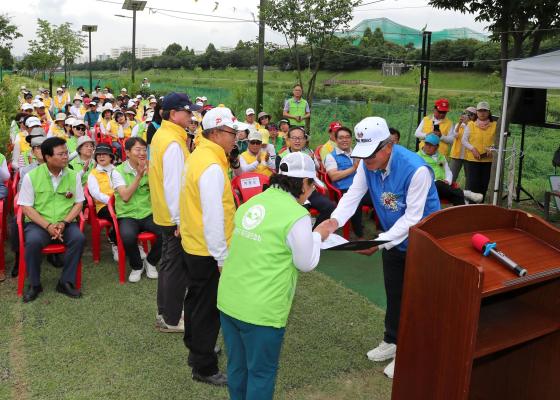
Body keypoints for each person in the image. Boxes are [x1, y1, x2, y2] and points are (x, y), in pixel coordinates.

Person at [316, 116, 441, 379]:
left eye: (371, 155)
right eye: (364, 155)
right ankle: (392, 340)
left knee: (416, 298)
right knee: (394, 292)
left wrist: (379, 241)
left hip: (424, 242)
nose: (367, 161)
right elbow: (352, 195)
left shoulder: (416, 170)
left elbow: (413, 218)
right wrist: (333, 221)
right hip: (393, 240)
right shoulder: (367, 164)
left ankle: (409, 351)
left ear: (388, 146)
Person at [218, 152, 329, 400]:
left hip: (229, 299)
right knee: (261, 373)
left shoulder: (253, 202)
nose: (312, 192)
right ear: (303, 183)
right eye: (311, 185)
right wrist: (319, 234)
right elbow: (305, 262)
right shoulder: (296, 215)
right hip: (262, 310)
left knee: (237, 366)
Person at [179, 106, 242, 386]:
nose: (235, 138)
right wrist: (221, 256)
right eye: (231, 132)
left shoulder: (201, 155)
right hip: (207, 248)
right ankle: (204, 366)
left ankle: (196, 347)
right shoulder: (212, 165)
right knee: (207, 308)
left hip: (194, 243)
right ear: (215, 133)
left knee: (196, 299)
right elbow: (213, 214)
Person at [149, 92, 202, 333]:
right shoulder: (172, 142)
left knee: (169, 264)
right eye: (187, 111)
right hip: (173, 216)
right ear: (173, 114)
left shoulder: (166, 135)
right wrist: (180, 219)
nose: (191, 115)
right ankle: (170, 318)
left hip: (166, 214)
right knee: (175, 267)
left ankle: (166, 312)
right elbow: (174, 185)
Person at [17, 137, 86, 302]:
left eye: (66, 153)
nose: (65, 157)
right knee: (32, 242)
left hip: (65, 222)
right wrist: (48, 225)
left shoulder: (73, 175)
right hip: (39, 224)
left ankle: (65, 282)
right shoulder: (31, 176)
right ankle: (34, 284)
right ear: (47, 157)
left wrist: (64, 223)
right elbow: (26, 207)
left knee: (78, 238)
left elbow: (78, 204)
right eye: (61, 154)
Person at [111, 137, 161, 282]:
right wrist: (139, 176)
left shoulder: (151, 167)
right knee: (127, 236)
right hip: (128, 214)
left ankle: (151, 262)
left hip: (147, 212)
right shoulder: (117, 171)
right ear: (127, 152)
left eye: (144, 150)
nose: (142, 153)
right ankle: (137, 266)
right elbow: (125, 196)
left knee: (166, 232)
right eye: (138, 150)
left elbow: (158, 191)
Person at [276, 127, 335, 228]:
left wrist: (312, 160)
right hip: (290, 192)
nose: (297, 141)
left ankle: (315, 231)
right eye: (294, 138)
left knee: (330, 206)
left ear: (304, 140)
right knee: (302, 211)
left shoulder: (308, 153)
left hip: (309, 189)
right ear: (289, 140)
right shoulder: (282, 156)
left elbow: (316, 170)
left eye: (300, 138)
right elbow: (281, 177)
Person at [324, 126, 373, 239]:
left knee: (381, 196)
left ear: (351, 139)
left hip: (362, 187)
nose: (345, 140)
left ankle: (383, 227)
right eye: (341, 138)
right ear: (335, 140)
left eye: (347, 137)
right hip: (343, 190)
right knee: (356, 199)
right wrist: (353, 168)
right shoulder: (331, 156)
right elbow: (333, 176)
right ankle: (359, 234)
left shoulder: (358, 153)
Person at [418, 134, 482, 205]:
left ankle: (465, 211)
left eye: (431, 145)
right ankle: (466, 194)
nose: (428, 147)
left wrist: (448, 181)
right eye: (426, 144)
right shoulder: (418, 157)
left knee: (456, 198)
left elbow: (448, 172)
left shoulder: (441, 157)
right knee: (438, 184)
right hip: (427, 186)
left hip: (443, 186)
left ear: (437, 147)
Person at [87, 144, 118, 260]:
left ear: (111, 157)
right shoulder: (93, 174)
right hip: (103, 206)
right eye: (98, 155)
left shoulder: (117, 170)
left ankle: (132, 243)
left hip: (120, 202)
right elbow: (95, 193)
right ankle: (116, 243)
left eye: (104, 154)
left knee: (129, 215)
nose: (101, 157)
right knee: (118, 216)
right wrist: (111, 200)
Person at [461, 101, 496, 202]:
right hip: (472, 160)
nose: (482, 113)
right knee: (472, 184)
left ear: (489, 112)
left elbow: (498, 141)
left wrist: (492, 148)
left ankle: (480, 206)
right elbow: (464, 140)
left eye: (485, 111)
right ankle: (469, 206)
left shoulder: (495, 125)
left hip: (487, 161)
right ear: (477, 112)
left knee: (483, 185)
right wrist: (472, 149)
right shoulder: (471, 124)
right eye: (480, 111)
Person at [449, 106, 477, 183]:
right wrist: (460, 123)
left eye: (471, 114)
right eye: (466, 113)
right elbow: (455, 135)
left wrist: (468, 123)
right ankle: (448, 192)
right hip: (457, 155)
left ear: (475, 116)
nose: (468, 116)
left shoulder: (475, 126)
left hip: (469, 156)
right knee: (452, 175)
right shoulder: (459, 125)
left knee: (469, 177)